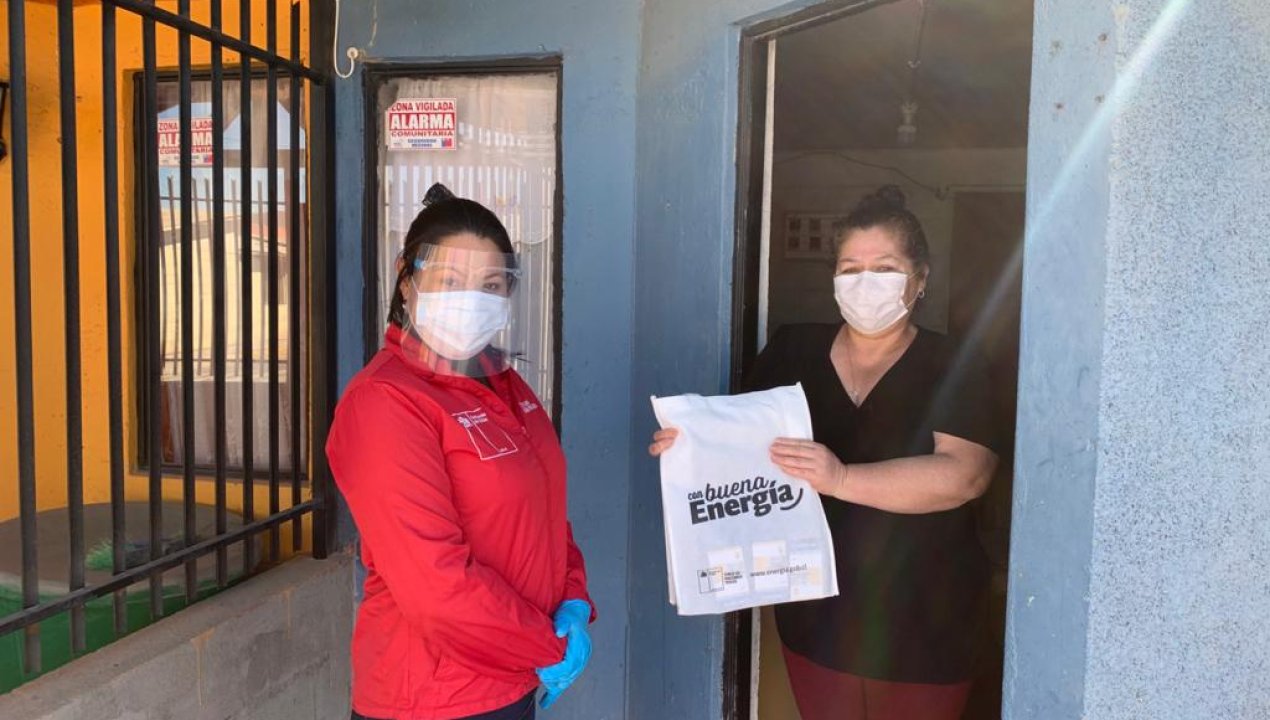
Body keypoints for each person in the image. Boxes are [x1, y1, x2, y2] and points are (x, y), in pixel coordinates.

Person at [650, 186, 1000, 720]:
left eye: (884, 268)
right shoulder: (793, 349)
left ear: (920, 277)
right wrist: (690, 448)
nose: (865, 282)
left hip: (928, 624)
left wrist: (841, 479)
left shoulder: (955, 363)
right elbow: (743, 444)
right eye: (850, 268)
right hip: (818, 617)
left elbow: (965, 475)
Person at [328, 183, 595, 720]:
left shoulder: (505, 386)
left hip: (510, 680)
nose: (471, 300)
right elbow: (436, 585)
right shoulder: (386, 401)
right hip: (434, 696)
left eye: (490, 284)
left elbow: (544, 511)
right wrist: (545, 647)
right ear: (407, 280)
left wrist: (573, 598)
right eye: (450, 281)